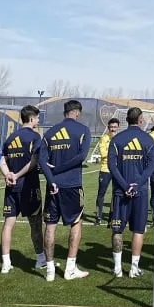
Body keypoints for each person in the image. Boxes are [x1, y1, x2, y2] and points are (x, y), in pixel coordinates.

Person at [39, 100, 92, 281]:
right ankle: (70, 269)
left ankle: (50, 271)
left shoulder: (50, 132)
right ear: (77, 113)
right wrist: (60, 169)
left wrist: (52, 178)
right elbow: (81, 156)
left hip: (52, 186)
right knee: (76, 223)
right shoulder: (83, 130)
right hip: (72, 185)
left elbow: (42, 161)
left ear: (65, 112)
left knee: (50, 226)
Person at [108, 107, 154, 277]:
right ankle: (134, 268)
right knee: (138, 230)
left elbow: (112, 166)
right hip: (140, 192)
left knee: (117, 230)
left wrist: (124, 186)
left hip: (120, 192)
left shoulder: (117, 139)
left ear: (126, 119)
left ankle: (117, 268)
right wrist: (136, 186)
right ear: (140, 119)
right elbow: (151, 166)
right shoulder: (148, 139)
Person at [0, 105, 45, 273]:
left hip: (11, 187)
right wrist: (17, 175)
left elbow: (2, 160)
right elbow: (34, 161)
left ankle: (6, 263)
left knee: (8, 224)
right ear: (31, 119)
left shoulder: (11, 137)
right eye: (37, 118)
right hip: (28, 186)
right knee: (35, 224)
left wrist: (8, 175)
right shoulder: (35, 136)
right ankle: (41, 259)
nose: (38, 121)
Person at [95, 118, 120, 225]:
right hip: (105, 169)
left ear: (118, 127)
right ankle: (98, 217)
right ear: (108, 127)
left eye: (115, 127)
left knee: (116, 193)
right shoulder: (104, 138)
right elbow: (103, 153)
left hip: (117, 170)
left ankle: (112, 217)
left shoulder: (121, 138)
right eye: (111, 127)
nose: (113, 129)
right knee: (101, 193)